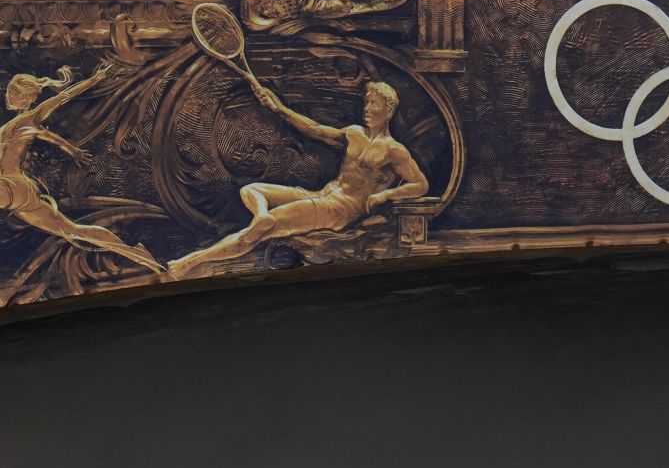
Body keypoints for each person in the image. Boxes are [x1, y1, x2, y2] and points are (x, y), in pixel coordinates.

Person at [167, 75, 429, 279]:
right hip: (322, 195)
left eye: (375, 104)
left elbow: (420, 184)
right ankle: (261, 215)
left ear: (389, 111)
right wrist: (278, 107)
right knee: (251, 190)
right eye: (367, 102)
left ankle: (191, 261)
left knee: (261, 232)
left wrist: (385, 194)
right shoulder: (354, 133)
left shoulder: (395, 151)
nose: (368, 108)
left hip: (341, 210)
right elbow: (314, 129)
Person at [0, 65, 164, 275]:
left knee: (72, 230)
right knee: (72, 230)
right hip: (19, 191)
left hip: (11, 185)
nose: (8, 96)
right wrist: (69, 148)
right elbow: (47, 135)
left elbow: (66, 96)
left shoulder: (32, 117)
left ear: (25, 96)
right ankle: (135, 253)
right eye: (9, 92)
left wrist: (96, 78)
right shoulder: (10, 127)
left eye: (12, 92)